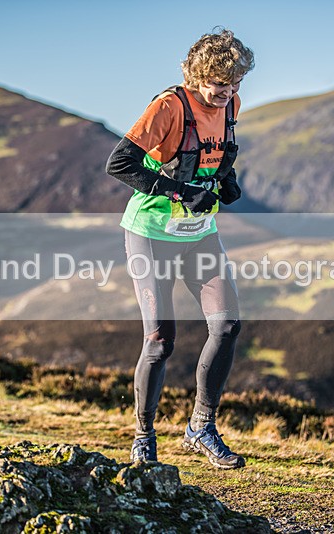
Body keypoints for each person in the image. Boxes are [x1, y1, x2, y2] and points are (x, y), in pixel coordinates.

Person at [106, 29, 254, 469]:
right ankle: (143, 435)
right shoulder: (169, 107)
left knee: (227, 326)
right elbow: (120, 163)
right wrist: (177, 190)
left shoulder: (231, 106)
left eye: (236, 84)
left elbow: (214, 154)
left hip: (200, 234)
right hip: (151, 233)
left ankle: (201, 428)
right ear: (196, 76)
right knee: (160, 342)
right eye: (219, 84)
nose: (228, 93)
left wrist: (225, 182)